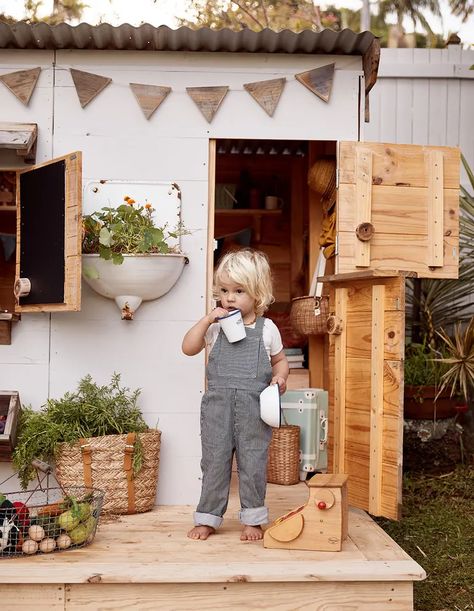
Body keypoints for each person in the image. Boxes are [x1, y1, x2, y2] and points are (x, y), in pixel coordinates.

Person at [182, 248, 289, 542]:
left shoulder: (267, 329)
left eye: (239, 291)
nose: (229, 298)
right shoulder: (216, 329)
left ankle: (253, 518)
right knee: (214, 462)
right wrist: (207, 320)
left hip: (254, 410)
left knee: (253, 463)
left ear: (258, 294)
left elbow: (280, 361)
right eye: (224, 291)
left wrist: (280, 378)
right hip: (218, 410)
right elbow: (189, 348)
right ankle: (208, 517)